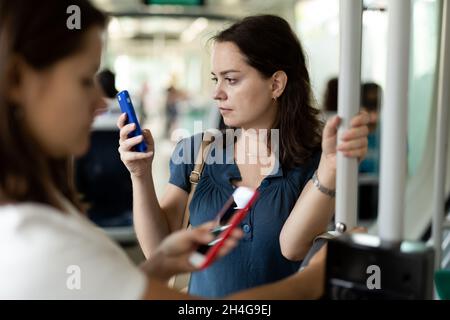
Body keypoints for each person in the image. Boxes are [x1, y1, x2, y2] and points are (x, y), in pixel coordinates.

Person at [0, 0, 244, 299]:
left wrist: (159, 265)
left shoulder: (33, 209)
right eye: (84, 80)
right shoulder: (36, 240)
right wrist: (312, 278)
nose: (100, 102)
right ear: (16, 79)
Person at [118, 14, 370, 297]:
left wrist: (329, 170)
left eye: (231, 80)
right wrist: (140, 175)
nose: (217, 93)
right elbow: (158, 249)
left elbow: (292, 246)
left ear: (276, 84)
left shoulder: (316, 160)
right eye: (216, 79)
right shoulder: (197, 152)